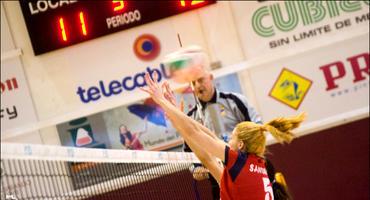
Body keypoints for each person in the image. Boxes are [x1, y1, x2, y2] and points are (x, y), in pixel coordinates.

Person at [140, 72, 305, 200]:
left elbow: (197, 134)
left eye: (232, 137)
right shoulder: (254, 165)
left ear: (240, 145)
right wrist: (176, 116)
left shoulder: (239, 163)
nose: (226, 140)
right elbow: (208, 153)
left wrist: (163, 102)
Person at [165, 47, 262, 199]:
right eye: (194, 83)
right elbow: (192, 160)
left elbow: (258, 130)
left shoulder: (234, 101)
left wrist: (242, 156)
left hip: (247, 171)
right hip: (219, 180)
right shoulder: (191, 117)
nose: (198, 85)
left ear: (210, 77)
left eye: (201, 80)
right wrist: (198, 170)